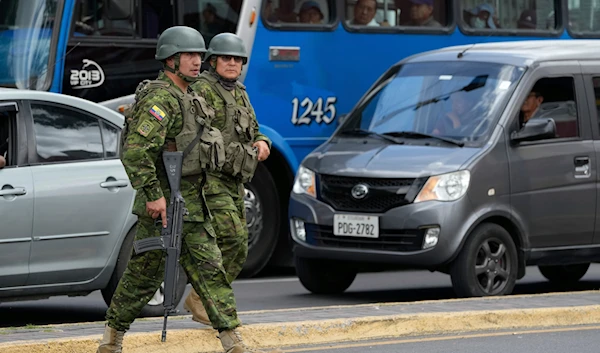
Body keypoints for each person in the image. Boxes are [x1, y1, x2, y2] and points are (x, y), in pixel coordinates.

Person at [96, 26, 280, 353]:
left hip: (195, 200)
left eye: (199, 55)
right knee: (144, 276)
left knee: (211, 271)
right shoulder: (160, 98)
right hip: (165, 203)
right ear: (171, 59)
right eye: (190, 55)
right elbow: (136, 152)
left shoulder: (192, 95)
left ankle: (232, 340)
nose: (198, 61)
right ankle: (112, 337)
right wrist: (153, 194)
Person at [184, 33, 272, 329]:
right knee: (231, 240)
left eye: (237, 59)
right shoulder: (202, 90)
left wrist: (262, 141)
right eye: (226, 59)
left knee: (239, 246)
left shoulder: (240, 92)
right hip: (211, 180)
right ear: (214, 61)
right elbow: (199, 134)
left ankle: (199, 296)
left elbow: (255, 128)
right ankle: (206, 301)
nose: (232, 64)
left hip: (236, 180)